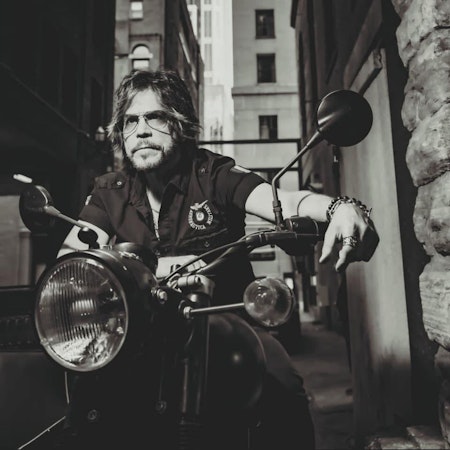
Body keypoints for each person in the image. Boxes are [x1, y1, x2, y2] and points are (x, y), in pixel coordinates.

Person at [58, 69, 379, 449]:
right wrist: (145, 268)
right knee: (86, 402)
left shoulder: (214, 174)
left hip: (229, 325)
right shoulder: (110, 192)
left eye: (155, 117)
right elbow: (72, 258)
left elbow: (283, 201)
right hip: (140, 334)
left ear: (179, 124)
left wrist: (339, 208)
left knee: (283, 382)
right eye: (130, 121)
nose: (141, 131)